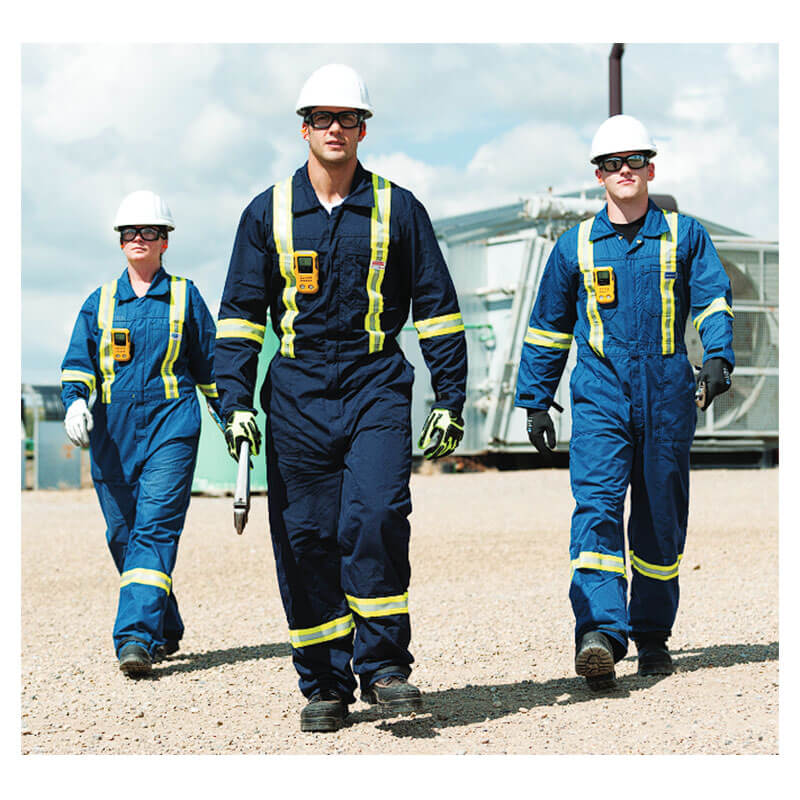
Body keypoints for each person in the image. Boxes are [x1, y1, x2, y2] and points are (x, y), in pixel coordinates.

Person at [214, 63, 467, 731]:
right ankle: (323, 682)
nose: (336, 128)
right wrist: (234, 401)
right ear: (304, 129)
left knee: (377, 515)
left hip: (375, 383)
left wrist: (451, 396)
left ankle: (383, 668)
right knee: (306, 538)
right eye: (323, 118)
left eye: (348, 118)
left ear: (363, 129)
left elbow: (438, 309)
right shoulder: (264, 212)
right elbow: (239, 317)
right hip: (295, 394)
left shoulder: (398, 208)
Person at [515, 114, 734, 690]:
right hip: (600, 396)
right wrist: (536, 399)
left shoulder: (685, 235)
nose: (625, 171)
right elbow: (547, 327)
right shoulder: (575, 246)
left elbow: (713, 298)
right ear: (598, 176)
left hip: (667, 395)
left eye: (635, 161)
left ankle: (653, 634)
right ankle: (600, 635)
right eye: (613, 164)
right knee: (596, 508)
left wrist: (718, 357)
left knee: (661, 519)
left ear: (651, 167)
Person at [61, 190, 222, 677]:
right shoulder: (100, 301)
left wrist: (231, 416)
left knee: (153, 529)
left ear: (164, 241)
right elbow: (78, 365)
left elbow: (210, 367)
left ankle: (133, 638)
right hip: (113, 432)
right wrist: (73, 403)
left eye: (149, 231)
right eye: (130, 232)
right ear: (120, 240)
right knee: (123, 535)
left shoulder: (185, 296)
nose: (138, 238)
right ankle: (163, 626)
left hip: (171, 423)